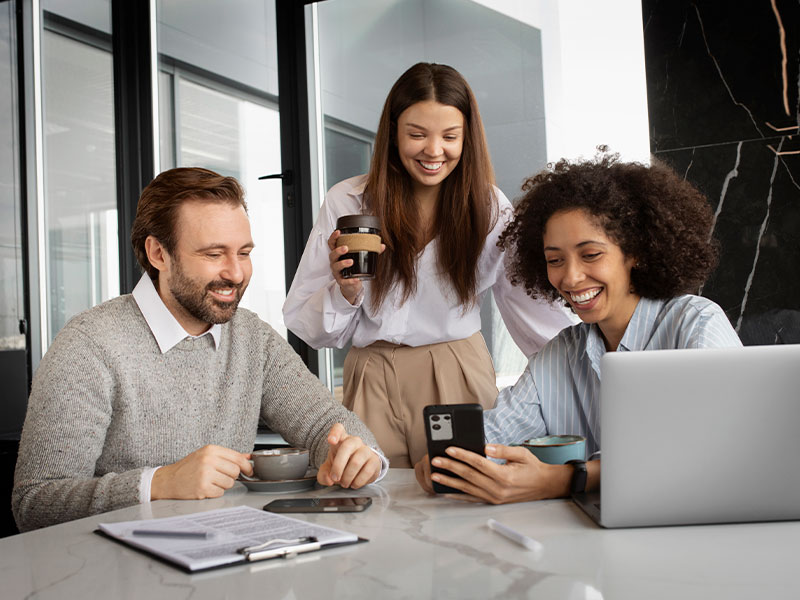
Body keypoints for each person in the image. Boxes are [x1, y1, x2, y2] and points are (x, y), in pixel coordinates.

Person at [12, 167, 387, 532]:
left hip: (225, 562)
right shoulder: (89, 345)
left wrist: (359, 455)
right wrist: (159, 483)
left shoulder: (252, 337)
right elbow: (35, 502)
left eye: (244, 253)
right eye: (213, 254)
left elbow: (326, 425)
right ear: (158, 253)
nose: (236, 273)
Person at [283, 62, 574, 468]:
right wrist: (345, 290)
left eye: (450, 136)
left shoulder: (488, 207)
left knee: (465, 497)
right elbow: (306, 326)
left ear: (467, 139)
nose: (434, 151)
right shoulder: (347, 202)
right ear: (393, 133)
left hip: (456, 370)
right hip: (370, 376)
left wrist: (591, 364)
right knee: (373, 502)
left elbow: (531, 311)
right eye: (417, 134)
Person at [414, 151, 743, 503]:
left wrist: (564, 479)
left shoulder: (696, 325)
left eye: (590, 255)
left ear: (636, 253)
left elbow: (712, 452)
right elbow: (496, 434)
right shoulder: (562, 352)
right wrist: (454, 462)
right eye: (555, 260)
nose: (569, 277)